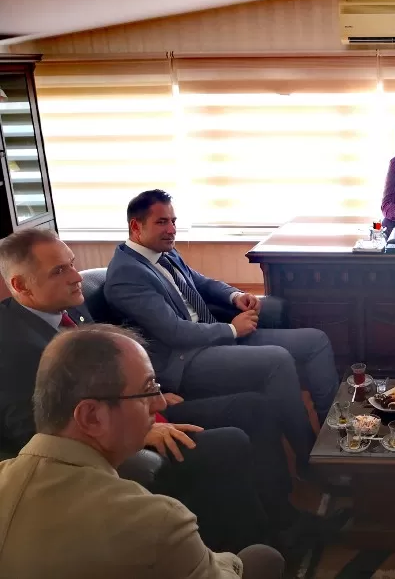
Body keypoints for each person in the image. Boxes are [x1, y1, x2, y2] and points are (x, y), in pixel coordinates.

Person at [0, 228, 326, 551]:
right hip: (115, 438)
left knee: (255, 408)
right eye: (59, 270)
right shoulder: (13, 347)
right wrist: (138, 431)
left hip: (138, 409)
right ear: (20, 285)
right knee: (230, 442)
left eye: (72, 263)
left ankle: (283, 517)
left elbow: (107, 371)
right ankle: (253, 546)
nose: (75, 276)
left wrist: (148, 394)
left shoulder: (68, 307)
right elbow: (32, 433)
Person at [0, 324, 286, 579]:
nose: (159, 403)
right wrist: (226, 560)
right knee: (263, 558)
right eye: (148, 389)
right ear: (91, 417)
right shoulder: (156, 521)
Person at [103, 190, 339, 463]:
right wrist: (232, 330)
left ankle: (334, 433)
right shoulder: (127, 274)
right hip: (184, 360)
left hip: (211, 337)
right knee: (278, 360)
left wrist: (235, 296)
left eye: (173, 221)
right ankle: (311, 458)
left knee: (316, 341)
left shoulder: (163, 253)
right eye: (162, 222)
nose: (172, 229)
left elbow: (202, 282)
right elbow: (174, 331)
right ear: (136, 226)